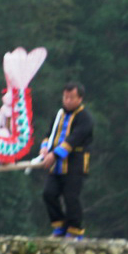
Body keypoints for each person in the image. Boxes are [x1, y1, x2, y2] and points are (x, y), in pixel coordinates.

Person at [41, 83, 92, 237]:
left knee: (71, 197)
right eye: (65, 97)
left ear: (80, 99)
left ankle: (75, 230)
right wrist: (44, 148)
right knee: (48, 193)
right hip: (55, 164)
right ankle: (59, 225)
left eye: (71, 98)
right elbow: (49, 134)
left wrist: (54, 155)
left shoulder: (85, 118)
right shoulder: (59, 115)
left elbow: (73, 139)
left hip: (75, 164)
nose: (68, 101)